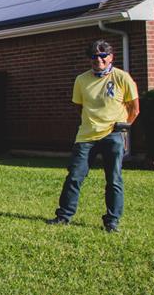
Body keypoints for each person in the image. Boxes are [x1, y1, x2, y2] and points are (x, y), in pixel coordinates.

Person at [49, 39, 139, 232]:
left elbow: (135, 108)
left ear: (111, 57)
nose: (98, 59)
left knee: (113, 179)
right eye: (94, 56)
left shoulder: (122, 77)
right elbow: (79, 107)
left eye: (102, 55)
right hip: (86, 137)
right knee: (74, 176)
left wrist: (123, 127)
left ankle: (112, 221)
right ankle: (64, 216)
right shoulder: (81, 80)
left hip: (113, 136)